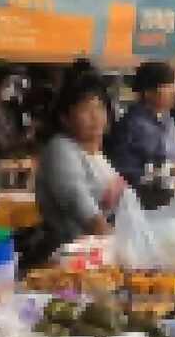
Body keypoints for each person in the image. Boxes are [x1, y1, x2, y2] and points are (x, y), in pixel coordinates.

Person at [35, 73, 126, 252]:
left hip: (99, 248)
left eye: (99, 108)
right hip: (71, 252)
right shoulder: (60, 148)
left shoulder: (95, 153)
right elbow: (81, 205)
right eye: (85, 109)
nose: (95, 116)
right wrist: (119, 246)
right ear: (65, 118)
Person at [104, 61, 175, 185]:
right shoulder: (130, 126)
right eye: (168, 86)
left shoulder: (169, 121)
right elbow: (124, 170)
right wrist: (161, 173)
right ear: (148, 92)